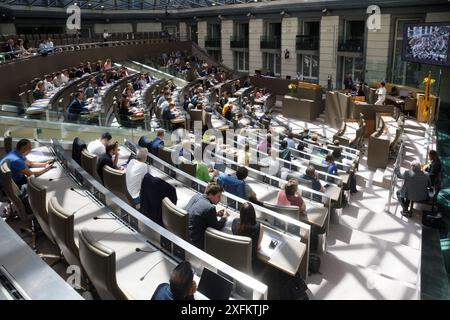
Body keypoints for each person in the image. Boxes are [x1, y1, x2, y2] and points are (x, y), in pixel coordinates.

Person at [186, 182, 228, 249]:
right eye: (218, 196)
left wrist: (215, 214)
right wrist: (224, 217)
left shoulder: (195, 197)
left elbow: (199, 213)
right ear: (211, 195)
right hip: (196, 242)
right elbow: (217, 227)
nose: (220, 199)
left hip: (185, 234)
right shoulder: (210, 208)